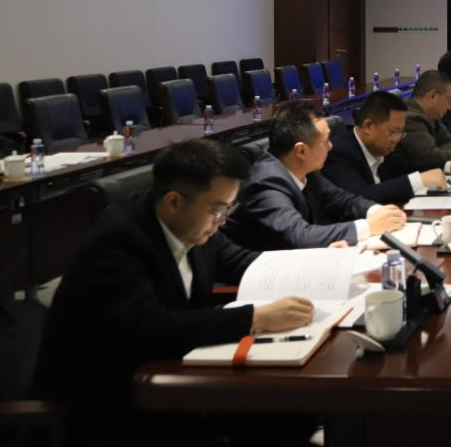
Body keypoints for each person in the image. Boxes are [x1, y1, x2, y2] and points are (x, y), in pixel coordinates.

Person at [34, 139, 314, 446]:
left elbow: (242, 262)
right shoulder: (118, 242)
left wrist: (320, 266)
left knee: (289, 410)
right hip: (112, 407)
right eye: (218, 209)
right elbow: (150, 326)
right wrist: (255, 318)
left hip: (173, 378)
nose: (223, 221)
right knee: (272, 413)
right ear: (174, 201)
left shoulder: (194, 223)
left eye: (229, 208)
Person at [224, 103, 407, 250]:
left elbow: (341, 200)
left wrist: (377, 212)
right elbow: (299, 236)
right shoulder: (266, 183)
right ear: (301, 150)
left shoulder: (306, 170)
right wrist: (368, 226)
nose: (330, 147)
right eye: (325, 141)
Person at [320, 90, 449, 204]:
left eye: (400, 133)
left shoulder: (384, 147)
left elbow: (411, 164)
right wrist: (417, 180)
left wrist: (449, 166)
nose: (397, 139)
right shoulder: (338, 153)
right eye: (393, 132)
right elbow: (358, 198)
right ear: (368, 126)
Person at [390, 70, 451, 172]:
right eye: (448, 100)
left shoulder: (431, 115)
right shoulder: (410, 118)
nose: (449, 107)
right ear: (433, 96)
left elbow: (450, 140)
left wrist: (439, 153)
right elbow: (430, 156)